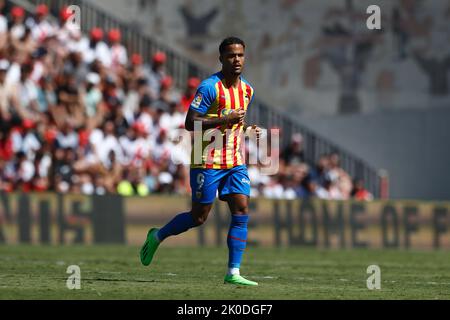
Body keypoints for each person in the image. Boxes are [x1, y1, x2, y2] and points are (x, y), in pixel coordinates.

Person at [139, 37, 262, 286]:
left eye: (240, 55)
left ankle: (233, 272)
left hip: (234, 161)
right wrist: (223, 120)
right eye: (230, 55)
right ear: (221, 59)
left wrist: (248, 129)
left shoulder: (247, 90)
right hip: (207, 159)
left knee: (241, 210)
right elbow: (190, 122)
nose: (236, 60)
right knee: (198, 217)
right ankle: (157, 235)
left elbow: (236, 124)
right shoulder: (209, 87)